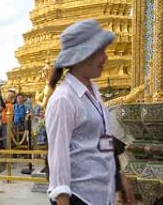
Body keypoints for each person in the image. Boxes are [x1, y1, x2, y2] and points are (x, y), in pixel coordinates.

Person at [46, 19, 134, 205]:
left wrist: (118, 176)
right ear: (82, 55)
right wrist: (62, 200)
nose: (105, 58)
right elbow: (58, 156)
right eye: (100, 52)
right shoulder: (64, 99)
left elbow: (103, 140)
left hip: (101, 195)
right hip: (78, 197)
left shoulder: (93, 93)